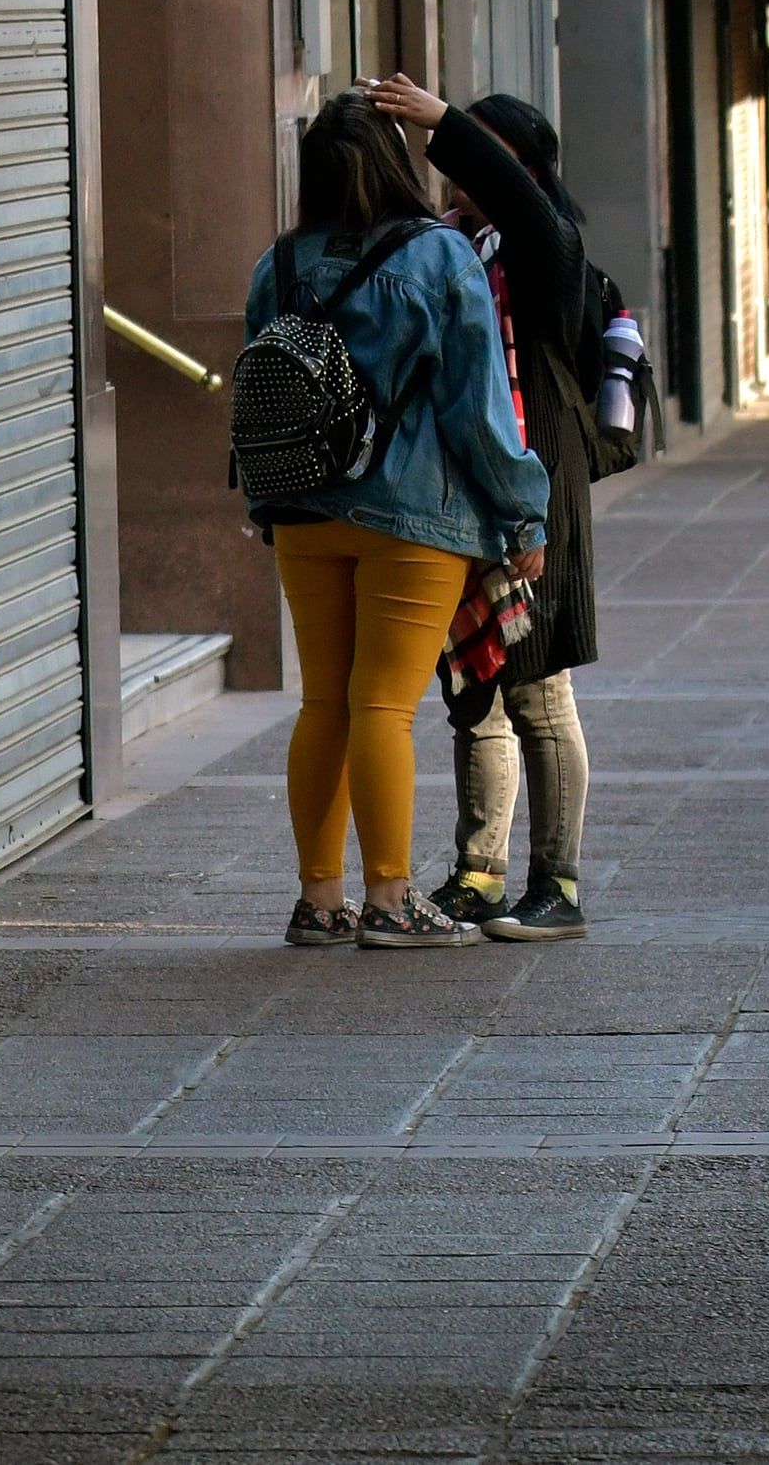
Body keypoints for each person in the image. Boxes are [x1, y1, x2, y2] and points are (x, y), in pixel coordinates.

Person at [246, 94, 551, 952]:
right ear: (393, 163)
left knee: (323, 702)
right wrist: (523, 511)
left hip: (302, 507)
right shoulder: (439, 256)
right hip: (412, 515)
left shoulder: (278, 263)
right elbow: (477, 409)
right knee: (383, 702)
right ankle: (389, 899)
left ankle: (319, 897)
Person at [368, 77, 600, 944]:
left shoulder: (551, 248)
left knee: (540, 693)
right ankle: (479, 871)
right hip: (470, 494)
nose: (457, 180)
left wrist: (446, 125)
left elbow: (529, 208)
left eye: (479, 166)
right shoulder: (453, 248)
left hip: (538, 498)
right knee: (475, 689)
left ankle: (560, 883)